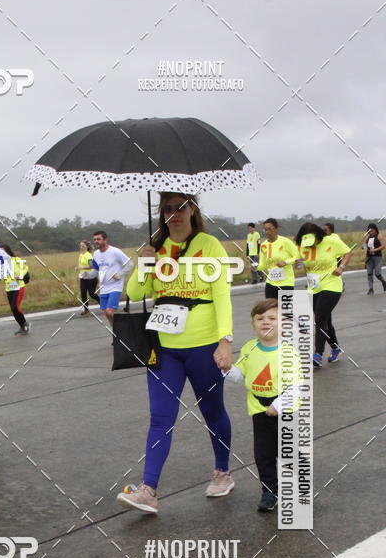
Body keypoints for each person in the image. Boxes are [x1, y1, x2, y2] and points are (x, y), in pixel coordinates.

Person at [116, 193, 234, 514]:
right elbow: (137, 293)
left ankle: (223, 471)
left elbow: (222, 295)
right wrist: (144, 264)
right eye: (168, 209)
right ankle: (148, 489)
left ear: (193, 209)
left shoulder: (209, 246)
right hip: (164, 348)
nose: (174, 214)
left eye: (181, 207)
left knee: (212, 412)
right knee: (160, 418)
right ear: (161, 214)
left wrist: (225, 340)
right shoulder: (157, 248)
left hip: (204, 345)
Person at [225, 299, 301, 512]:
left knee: (289, 452)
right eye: (260, 318)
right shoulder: (250, 348)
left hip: (286, 411)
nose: (265, 322)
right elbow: (241, 377)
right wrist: (227, 369)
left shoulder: (289, 352)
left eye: (272, 318)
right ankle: (270, 491)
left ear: (283, 324)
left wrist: (278, 404)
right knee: (263, 454)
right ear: (252, 324)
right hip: (259, 410)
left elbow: (297, 385)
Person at [294, 222, 352, 367]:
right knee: (325, 320)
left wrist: (342, 267)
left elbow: (348, 252)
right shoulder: (302, 246)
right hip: (314, 286)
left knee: (319, 319)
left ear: (319, 236)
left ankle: (317, 354)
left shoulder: (331, 241)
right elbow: (303, 264)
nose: (310, 245)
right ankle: (335, 348)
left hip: (332, 284)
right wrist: (298, 264)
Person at [92, 230, 131, 325]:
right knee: (106, 313)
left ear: (105, 240)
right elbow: (98, 269)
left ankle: (124, 328)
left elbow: (130, 264)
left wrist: (120, 274)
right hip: (103, 287)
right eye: (94, 239)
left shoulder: (115, 251)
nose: (96, 241)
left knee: (110, 311)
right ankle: (116, 333)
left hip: (115, 286)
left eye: (98, 239)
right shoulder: (96, 254)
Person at [257, 218, 299, 299]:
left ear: (276, 229)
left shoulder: (285, 242)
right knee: (271, 310)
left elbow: (298, 255)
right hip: (271, 283)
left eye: (269, 229)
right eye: (265, 230)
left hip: (286, 283)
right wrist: (256, 267)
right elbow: (263, 265)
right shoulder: (263, 245)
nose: (267, 232)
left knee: (285, 311)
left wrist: (286, 262)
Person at [0, 244, 31, 334]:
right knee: (13, 310)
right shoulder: (1, 263)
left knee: (15, 307)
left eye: (3, 251)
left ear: (7, 251)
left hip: (19, 286)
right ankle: (22, 327)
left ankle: (26, 324)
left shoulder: (16, 259)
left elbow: (25, 268)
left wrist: (20, 275)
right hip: (9, 287)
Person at [76, 239, 98, 315]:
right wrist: (78, 269)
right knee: (83, 294)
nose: (81, 247)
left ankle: (105, 305)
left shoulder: (88, 255)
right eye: (80, 246)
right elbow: (81, 266)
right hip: (83, 277)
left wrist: (81, 267)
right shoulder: (81, 255)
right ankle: (86, 309)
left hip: (91, 277)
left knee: (92, 294)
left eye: (83, 246)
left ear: (87, 247)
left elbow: (92, 266)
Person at [362, 224, 386, 295]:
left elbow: (384, 246)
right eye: (369, 231)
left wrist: (375, 250)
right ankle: (371, 289)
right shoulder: (368, 237)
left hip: (377, 257)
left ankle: (384, 282)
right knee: (369, 273)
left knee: (378, 274)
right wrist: (363, 246)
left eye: (372, 231)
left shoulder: (379, 236)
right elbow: (365, 246)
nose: (370, 232)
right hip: (369, 257)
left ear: (375, 230)